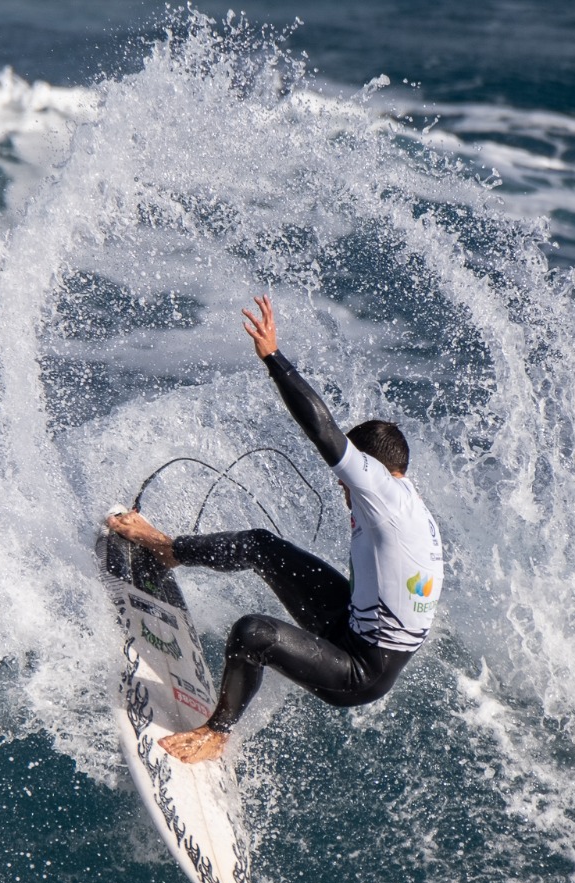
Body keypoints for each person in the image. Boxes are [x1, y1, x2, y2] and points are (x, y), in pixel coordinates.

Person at [108, 295, 444, 764]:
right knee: (261, 546)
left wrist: (272, 357)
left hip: (359, 671)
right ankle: (167, 550)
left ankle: (216, 732)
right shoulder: (411, 505)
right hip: (352, 625)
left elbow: (323, 429)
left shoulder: (382, 492)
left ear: (374, 469)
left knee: (253, 634)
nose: (344, 489)